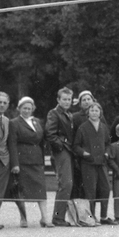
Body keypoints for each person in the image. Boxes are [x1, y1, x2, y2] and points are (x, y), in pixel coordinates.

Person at [9, 96, 49, 227]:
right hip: (22, 160)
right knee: (21, 190)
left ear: (33, 109)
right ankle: (23, 218)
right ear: (19, 109)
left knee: (41, 189)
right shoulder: (14, 123)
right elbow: (12, 144)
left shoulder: (37, 122)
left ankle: (44, 218)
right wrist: (15, 164)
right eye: (24, 108)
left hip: (36, 160)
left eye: (29, 108)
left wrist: (42, 159)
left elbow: (42, 141)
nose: (27, 111)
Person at [0, 90, 26, 226]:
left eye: (5, 103)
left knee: (0, 191)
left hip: (4, 160)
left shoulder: (7, 121)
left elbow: (10, 142)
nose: (2, 105)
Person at [75, 101, 112, 223]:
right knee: (90, 190)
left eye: (97, 110)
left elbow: (108, 143)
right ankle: (91, 217)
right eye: (92, 110)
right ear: (88, 113)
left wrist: (107, 153)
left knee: (105, 188)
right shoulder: (83, 127)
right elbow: (76, 146)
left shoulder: (104, 127)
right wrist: (84, 153)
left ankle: (104, 216)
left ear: (100, 113)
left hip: (101, 162)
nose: (94, 113)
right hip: (88, 163)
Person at [45, 87, 76, 226]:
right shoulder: (54, 113)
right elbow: (50, 133)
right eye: (64, 99)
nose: (67, 102)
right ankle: (58, 218)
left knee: (68, 183)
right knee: (66, 183)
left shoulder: (69, 114)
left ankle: (62, 216)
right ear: (58, 100)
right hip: (61, 151)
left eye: (69, 99)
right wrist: (61, 146)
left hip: (69, 150)